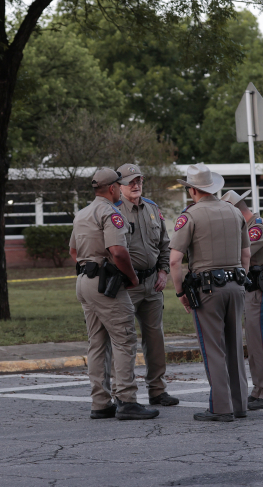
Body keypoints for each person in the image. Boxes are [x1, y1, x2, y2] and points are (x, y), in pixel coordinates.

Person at [69, 167, 160, 421]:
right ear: (112, 188)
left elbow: (73, 252)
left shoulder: (83, 213)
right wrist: (131, 277)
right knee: (124, 339)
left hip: (85, 281)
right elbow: (118, 251)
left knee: (97, 342)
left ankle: (100, 402)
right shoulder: (112, 213)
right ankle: (127, 400)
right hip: (106, 284)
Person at [169, 163, 251, 422]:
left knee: (214, 348)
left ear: (193, 190)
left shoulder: (190, 216)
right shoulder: (234, 211)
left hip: (207, 290)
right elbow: (246, 254)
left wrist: (180, 291)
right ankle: (240, 405)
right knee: (235, 346)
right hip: (236, 285)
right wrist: (241, 280)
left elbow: (174, 260)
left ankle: (220, 407)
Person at [106, 163, 179, 407]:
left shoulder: (152, 208)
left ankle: (157, 390)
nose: (136, 185)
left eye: (139, 180)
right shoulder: (112, 211)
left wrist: (163, 271)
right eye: (130, 181)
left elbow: (165, 244)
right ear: (119, 186)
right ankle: (121, 393)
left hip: (152, 283)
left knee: (155, 338)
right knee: (124, 339)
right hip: (126, 284)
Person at [221, 190, 263, 410]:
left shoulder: (257, 228)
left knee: (261, 345)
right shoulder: (247, 228)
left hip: (261, 291)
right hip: (253, 291)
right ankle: (260, 391)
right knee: (255, 346)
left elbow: (239, 254)